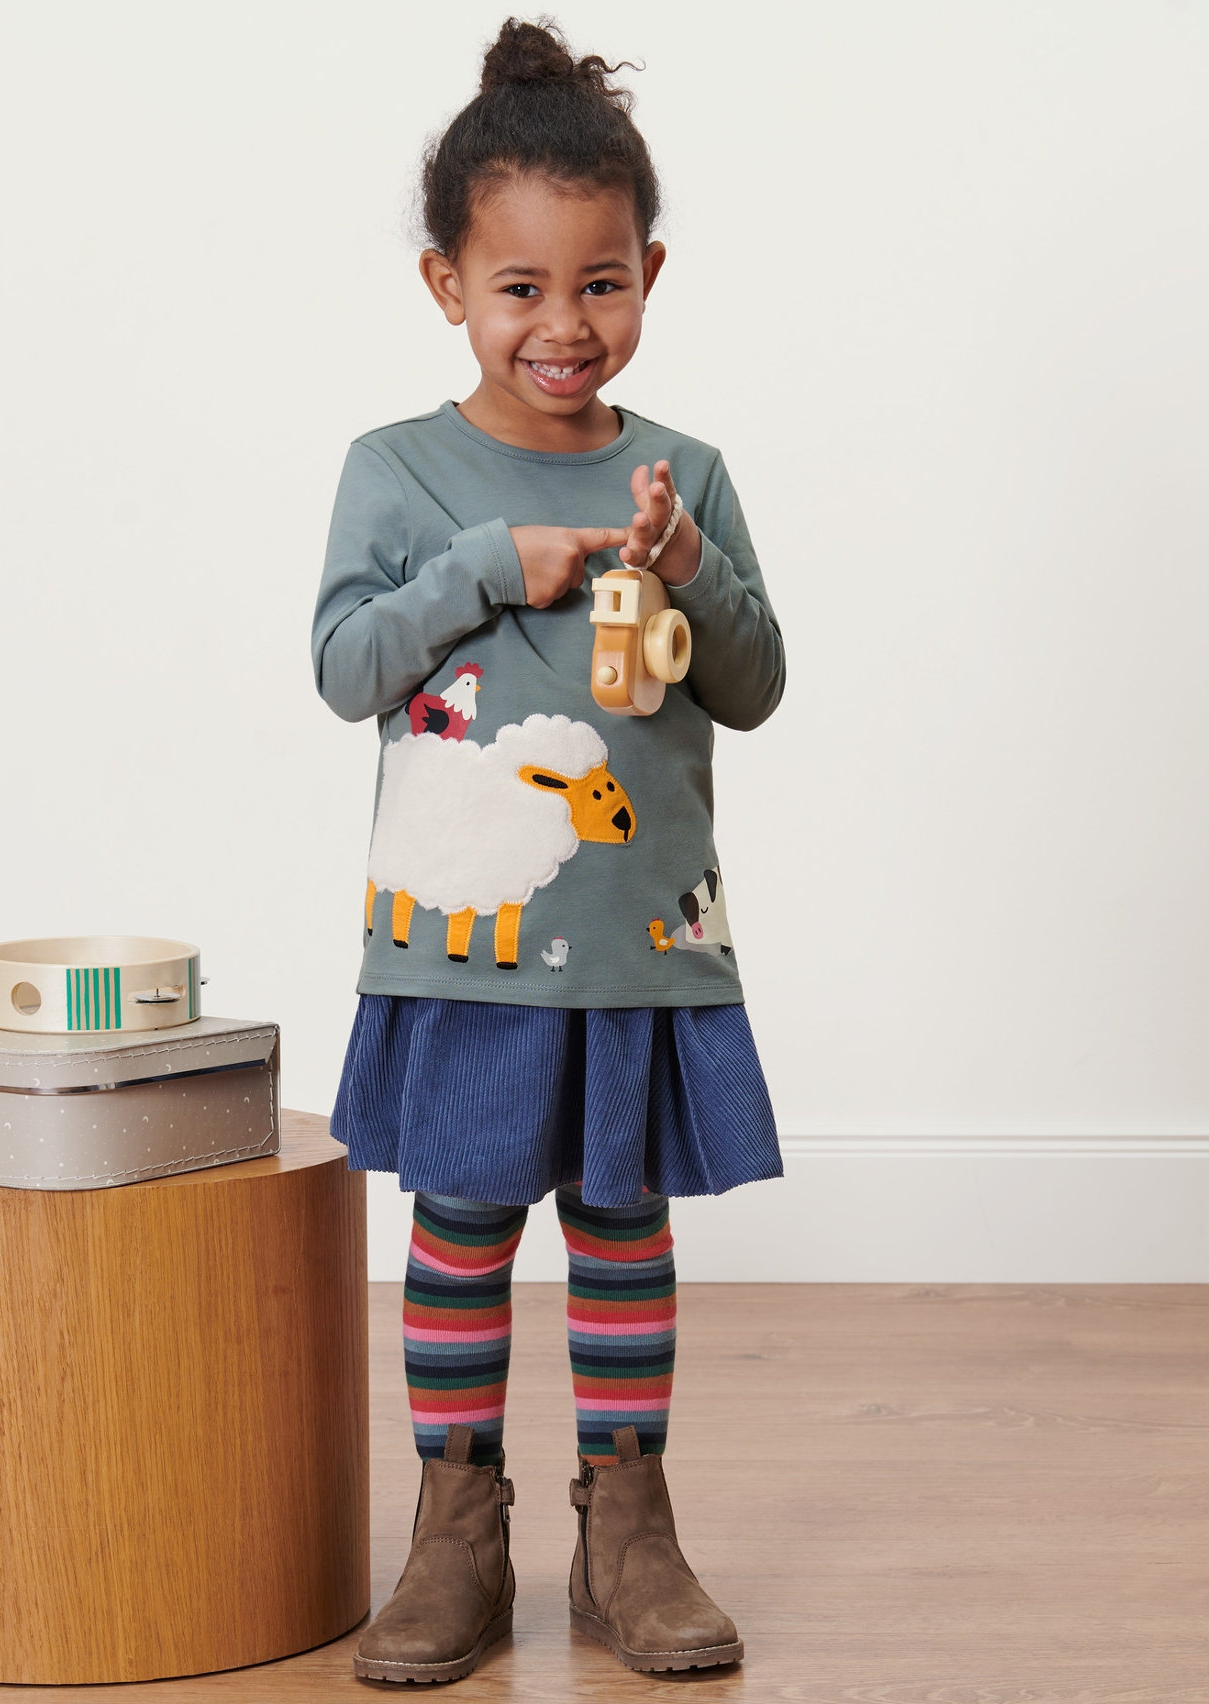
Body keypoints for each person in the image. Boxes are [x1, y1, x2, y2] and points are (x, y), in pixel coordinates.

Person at [310, 17, 787, 1684]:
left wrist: (689, 564)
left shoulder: (690, 475)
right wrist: (480, 568)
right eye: (520, 288)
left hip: (642, 939)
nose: (562, 324)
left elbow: (758, 683)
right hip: (465, 953)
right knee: (459, 1225)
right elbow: (345, 668)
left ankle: (627, 1528)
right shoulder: (399, 471)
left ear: (647, 272)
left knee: (623, 1219)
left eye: (599, 283)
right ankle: (455, 1527)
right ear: (449, 284)